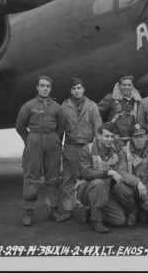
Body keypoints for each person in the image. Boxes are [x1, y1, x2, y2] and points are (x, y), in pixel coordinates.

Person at [15, 75, 67, 226]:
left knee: (53, 177)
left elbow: (61, 127)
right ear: (37, 87)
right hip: (34, 142)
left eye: (48, 86)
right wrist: (29, 140)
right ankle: (28, 212)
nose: (45, 88)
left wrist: (55, 140)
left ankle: (53, 210)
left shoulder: (57, 107)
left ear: (50, 89)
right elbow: (20, 126)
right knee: (31, 177)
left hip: (52, 143)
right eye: (42, 86)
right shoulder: (28, 106)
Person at [77, 122, 138, 233]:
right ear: (99, 136)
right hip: (86, 190)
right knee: (98, 183)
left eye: (112, 136)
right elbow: (86, 173)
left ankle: (92, 210)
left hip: (105, 192)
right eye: (106, 136)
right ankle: (96, 221)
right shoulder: (87, 149)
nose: (110, 139)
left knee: (120, 221)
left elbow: (121, 171)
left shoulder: (115, 150)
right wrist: (108, 172)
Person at [61, 77, 102, 219]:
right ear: (70, 91)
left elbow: (98, 128)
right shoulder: (64, 107)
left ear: (83, 89)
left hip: (87, 146)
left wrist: (97, 149)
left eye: (79, 88)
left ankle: (88, 209)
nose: (76, 91)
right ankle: (67, 209)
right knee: (68, 178)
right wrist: (59, 146)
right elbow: (60, 129)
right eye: (74, 89)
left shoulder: (92, 106)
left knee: (88, 178)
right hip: (70, 146)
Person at [117, 124, 148, 222]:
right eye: (136, 137)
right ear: (131, 138)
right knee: (120, 188)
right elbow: (122, 171)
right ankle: (132, 210)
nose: (139, 140)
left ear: (147, 137)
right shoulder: (124, 151)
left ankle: (141, 208)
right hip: (131, 185)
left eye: (142, 136)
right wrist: (137, 182)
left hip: (147, 183)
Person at [98, 75, 142, 146]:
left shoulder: (136, 101)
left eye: (129, 85)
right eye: (124, 85)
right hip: (113, 141)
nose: (127, 87)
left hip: (131, 141)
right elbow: (97, 116)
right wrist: (105, 131)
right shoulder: (110, 98)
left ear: (132, 86)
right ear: (119, 86)